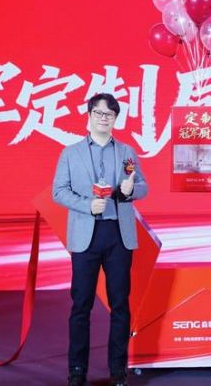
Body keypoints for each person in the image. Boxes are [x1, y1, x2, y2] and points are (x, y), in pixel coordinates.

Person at [53, 93, 148, 386]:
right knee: (81, 305)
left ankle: (118, 370)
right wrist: (86, 204)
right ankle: (76, 370)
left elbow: (143, 186)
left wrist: (130, 190)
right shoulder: (71, 153)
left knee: (120, 304)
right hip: (86, 235)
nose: (103, 118)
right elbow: (59, 191)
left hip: (118, 235)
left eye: (109, 114)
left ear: (115, 118)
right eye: (99, 113)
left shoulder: (127, 152)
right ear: (89, 115)